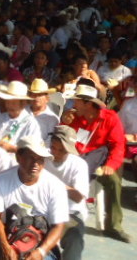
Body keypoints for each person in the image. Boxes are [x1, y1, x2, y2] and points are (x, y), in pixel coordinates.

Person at [62, 82, 130, 242]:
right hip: (75, 159)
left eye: (77, 101)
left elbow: (118, 145)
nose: (74, 104)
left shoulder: (110, 118)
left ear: (88, 104)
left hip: (99, 161)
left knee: (113, 180)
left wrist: (110, 165)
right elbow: (62, 138)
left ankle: (114, 226)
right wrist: (64, 121)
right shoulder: (73, 117)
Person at [0, 136, 68, 260]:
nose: (36, 163)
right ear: (18, 157)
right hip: (6, 239)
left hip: (41, 244)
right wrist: (5, 247)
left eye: (41, 159)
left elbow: (59, 226)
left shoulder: (56, 186)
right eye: (31, 157)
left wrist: (41, 252)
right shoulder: (0, 180)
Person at [45, 126, 89, 260]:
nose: (56, 153)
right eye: (53, 148)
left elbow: (78, 197)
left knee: (74, 239)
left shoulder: (79, 164)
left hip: (70, 213)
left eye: (62, 150)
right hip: (43, 210)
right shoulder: (42, 158)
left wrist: (53, 184)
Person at [0, 81, 42, 153]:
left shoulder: (31, 124)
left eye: (13, 103)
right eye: (7, 102)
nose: (9, 105)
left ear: (23, 103)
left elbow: (34, 150)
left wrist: (13, 149)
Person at [28, 79, 60, 143]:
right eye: (34, 94)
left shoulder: (52, 119)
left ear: (47, 98)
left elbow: (50, 143)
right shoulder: (22, 111)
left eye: (40, 95)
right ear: (30, 96)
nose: (36, 97)